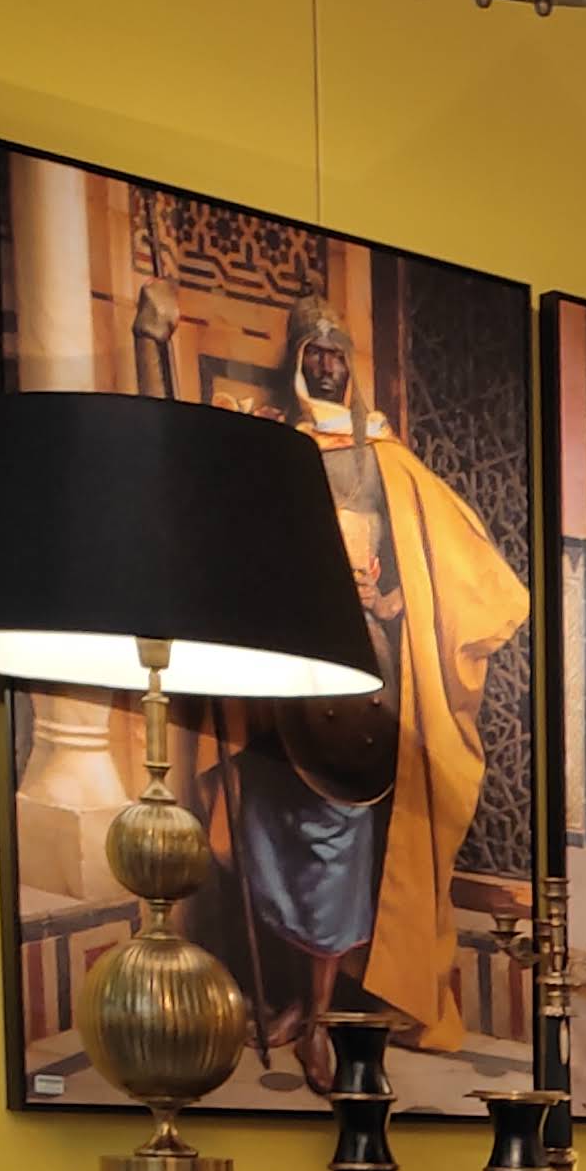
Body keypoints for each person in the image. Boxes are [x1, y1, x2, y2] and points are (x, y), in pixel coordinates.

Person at [228, 292, 528, 1087]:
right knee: (272, 828)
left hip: (359, 680)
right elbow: (253, 552)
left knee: (339, 833)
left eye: (338, 355)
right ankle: (295, 1002)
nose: (328, 366)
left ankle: (323, 1015)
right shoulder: (282, 448)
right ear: (298, 360)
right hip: (287, 664)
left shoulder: (383, 453)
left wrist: (396, 600)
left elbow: (433, 555)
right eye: (315, 353)